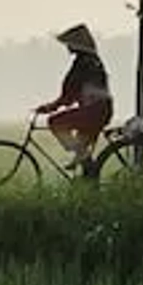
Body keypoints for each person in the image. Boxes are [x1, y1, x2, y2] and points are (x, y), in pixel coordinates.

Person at [35, 24, 113, 175]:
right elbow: (71, 94)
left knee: (55, 122)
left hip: (93, 111)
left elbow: (69, 93)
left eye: (70, 44)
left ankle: (81, 155)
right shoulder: (90, 61)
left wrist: (51, 107)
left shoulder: (84, 63)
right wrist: (55, 104)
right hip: (99, 110)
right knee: (82, 148)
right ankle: (88, 179)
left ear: (77, 45)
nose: (67, 47)